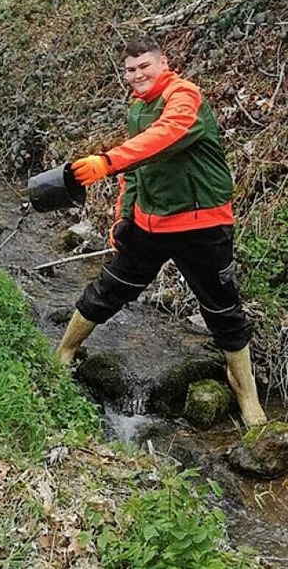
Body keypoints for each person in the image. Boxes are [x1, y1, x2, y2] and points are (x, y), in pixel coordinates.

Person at [55, 35, 267, 428]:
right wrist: (123, 216)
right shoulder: (138, 108)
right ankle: (63, 354)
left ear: (162, 63)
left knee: (223, 310)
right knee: (108, 289)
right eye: (130, 70)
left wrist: (107, 161)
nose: (136, 76)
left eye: (143, 67)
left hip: (201, 224)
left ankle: (246, 396)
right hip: (149, 224)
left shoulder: (185, 96)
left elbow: (165, 135)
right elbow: (137, 166)